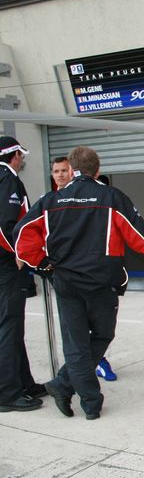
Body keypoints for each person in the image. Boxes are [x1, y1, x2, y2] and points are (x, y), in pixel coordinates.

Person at [14, 146, 144, 420]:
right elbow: (138, 233)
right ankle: (76, 393)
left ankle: (80, 396)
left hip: (65, 282)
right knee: (103, 335)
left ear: (72, 171)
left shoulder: (51, 200)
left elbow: (22, 233)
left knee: (75, 345)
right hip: (102, 282)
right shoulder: (111, 197)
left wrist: (40, 263)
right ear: (98, 170)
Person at [50, 158, 117, 381]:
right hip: (65, 280)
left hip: (94, 277)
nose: (60, 175)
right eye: (56, 171)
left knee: (100, 330)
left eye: (63, 170)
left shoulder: (93, 197)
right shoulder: (50, 201)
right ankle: (73, 382)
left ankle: (73, 377)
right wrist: (41, 264)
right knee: (74, 337)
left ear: (72, 172)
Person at [0, 136, 46, 413]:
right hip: (6, 266)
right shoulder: (8, 180)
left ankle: (23, 383)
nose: (22, 159)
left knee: (11, 328)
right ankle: (7, 393)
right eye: (21, 155)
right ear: (14, 155)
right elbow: (5, 225)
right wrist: (20, 254)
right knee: (9, 328)